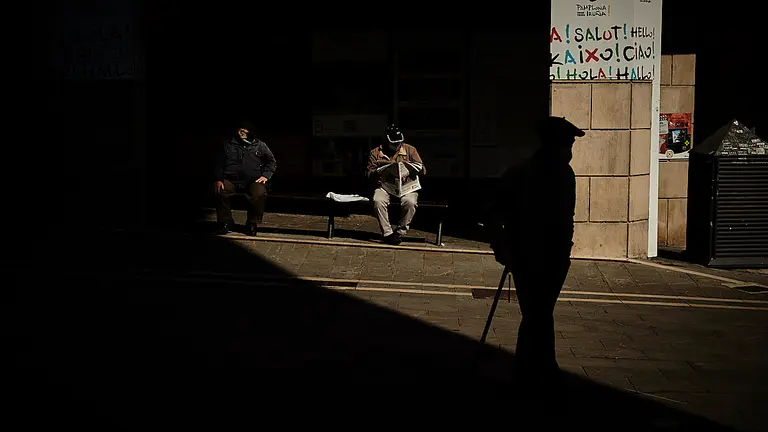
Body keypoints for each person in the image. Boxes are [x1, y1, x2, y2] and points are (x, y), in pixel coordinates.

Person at [487, 116, 584, 378]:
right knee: (537, 313)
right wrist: (503, 249)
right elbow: (495, 214)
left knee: (539, 313)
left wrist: (566, 250)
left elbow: (567, 218)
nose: (569, 151)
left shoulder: (565, 174)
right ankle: (537, 368)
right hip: (527, 255)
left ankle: (534, 366)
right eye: (567, 144)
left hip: (555, 256)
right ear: (552, 145)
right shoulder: (522, 173)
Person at [212, 121, 277, 236]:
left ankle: (252, 223)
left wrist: (266, 176)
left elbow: (271, 162)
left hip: (253, 180)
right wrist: (218, 179)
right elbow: (218, 163)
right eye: (240, 131)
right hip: (231, 179)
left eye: (245, 131)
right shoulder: (228, 145)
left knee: (259, 193)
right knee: (220, 189)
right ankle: (225, 221)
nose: (242, 134)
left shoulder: (260, 145)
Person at [366, 125, 426, 245]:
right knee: (378, 200)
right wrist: (378, 171)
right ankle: (388, 233)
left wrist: (415, 169)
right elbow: (368, 174)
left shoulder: (410, 150)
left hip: (406, 187)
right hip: (385, 186)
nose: (398, 145)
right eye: (394, 143)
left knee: (410, 202)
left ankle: (400, 232)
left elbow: (423, 169)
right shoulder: (375, 153)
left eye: (400, 142)